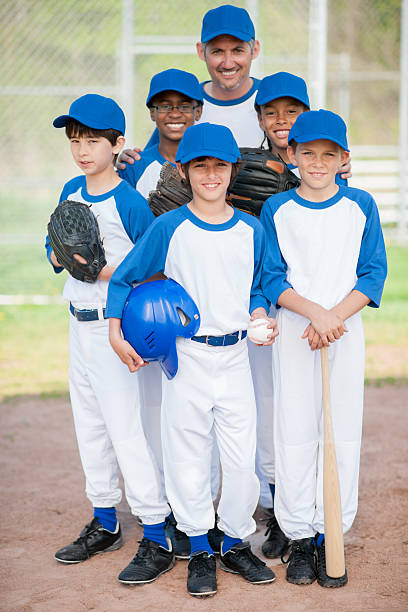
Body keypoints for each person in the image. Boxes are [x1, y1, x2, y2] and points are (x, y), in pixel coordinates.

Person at [107, 122, 278, 597]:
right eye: (199, 165)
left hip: (237, 355)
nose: (210, 174)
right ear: (182, 171)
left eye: (219, 166)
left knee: (241, 461)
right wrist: (116, 332)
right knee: (188, 457)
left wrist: (261, 312)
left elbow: (260, 284)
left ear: (233, 170)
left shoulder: (251, 228)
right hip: (186, 357)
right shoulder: (170, 226)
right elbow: (125, 278)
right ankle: (200, 546)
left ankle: (236, 540)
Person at [46, 93, 175, 585]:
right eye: (75, 140)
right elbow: (56, 251)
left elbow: (149, 270)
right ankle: (104, 521)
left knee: (126, 429)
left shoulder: (128, 201)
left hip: (113, 325)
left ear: (118, 144)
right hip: (76, 327)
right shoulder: (69, 189)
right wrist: (65, 255)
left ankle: (157, 532)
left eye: (94, 140)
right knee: (91, 427)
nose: (83, 150)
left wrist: (97, 266)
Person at [260, 109, 387, 587]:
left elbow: (372, 272)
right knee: (294, 430)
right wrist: (316, 314)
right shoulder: (279, 209)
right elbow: (272, 275)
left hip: (345, 332)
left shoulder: (360, 205)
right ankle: (296, 536)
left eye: (328, 154)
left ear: (343, 159)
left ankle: (328, 532)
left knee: (341, 433)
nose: (316, 162)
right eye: (307, 153)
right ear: (291, 156)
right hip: (296, 331)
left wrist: (334, 317)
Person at [118, 68, 203, 198]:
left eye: (184, 106)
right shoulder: (134, 166)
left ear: (198, 112)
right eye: (165, 106)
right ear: (153, 112)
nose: (174, 114)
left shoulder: (213, 165)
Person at [255, 71, 347, 185]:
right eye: (271, 113)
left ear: (305, 116)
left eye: (291, 111)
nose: (281, 120)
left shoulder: (326, 169)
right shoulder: (252, 168)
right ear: (260, 120)